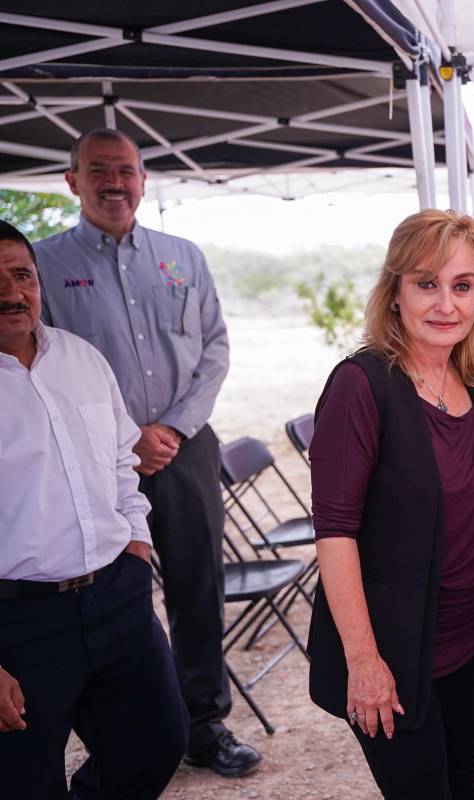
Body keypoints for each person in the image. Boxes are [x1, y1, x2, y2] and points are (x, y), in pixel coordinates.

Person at [32, 128, 257, 776]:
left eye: (126, 170)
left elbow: (214, 348)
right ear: (72, 181)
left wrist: (174, 430)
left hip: (184, 450)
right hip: (93, 460)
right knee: (112, 592)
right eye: (98, 170)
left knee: (198, 587)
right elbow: (39, 361)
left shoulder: (183, 256)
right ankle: (124, 737)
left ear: (144, 179)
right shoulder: (42, 265)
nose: (115, 182)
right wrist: (125, 433)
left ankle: (204, 725)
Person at [307, 210, 474, 800]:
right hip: (398, 652)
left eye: (462, 286)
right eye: (426, 283)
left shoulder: (469, 376)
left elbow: (458, 476)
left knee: (463, 783)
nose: (445, 304)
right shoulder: (362, 385)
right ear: (396, 290)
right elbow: (334, 532)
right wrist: (364, 661)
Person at [0, 220, 188, 798]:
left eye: (21, 275)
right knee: (24, 783)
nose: (11, 292)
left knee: (156, 745)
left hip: (117, 597)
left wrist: (136, 543)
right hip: (18, 624)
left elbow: (119, 464)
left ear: (38, 279)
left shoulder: (81, 358)